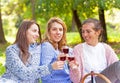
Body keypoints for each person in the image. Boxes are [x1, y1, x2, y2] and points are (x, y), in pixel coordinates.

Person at [0, 20, 65, 83]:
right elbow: (24, 73)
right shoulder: (11, 50)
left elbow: (49, 55)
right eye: (34, 31)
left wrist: (58, 58)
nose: (37, 35)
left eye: (38, 32)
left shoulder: (39, 48)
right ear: (24, 31)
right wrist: (50, 67)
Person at [69, 18, 120, 83]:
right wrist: (74, 69)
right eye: (83, 31)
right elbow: (75, 81)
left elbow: (116, 68)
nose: (85, 35)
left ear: (98, 32)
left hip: (105, 80)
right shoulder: (78, 49)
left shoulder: (106, 48)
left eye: (88, 31)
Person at [40, 17, 73, 83]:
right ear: (49, 32)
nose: (58, 32)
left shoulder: (60, 47)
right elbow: (44, 75)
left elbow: (73, 52)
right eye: (54, 29)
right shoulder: (47, 46)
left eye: (60, 30)